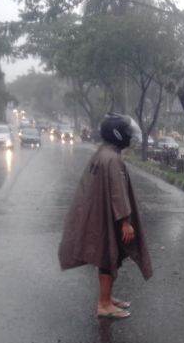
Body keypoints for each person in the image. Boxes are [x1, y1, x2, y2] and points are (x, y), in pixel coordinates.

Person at [58, 113, 153, 319]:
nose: (130, 136)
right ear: (117, 134)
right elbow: (117, 193)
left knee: (110, 256)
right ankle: (104, 304)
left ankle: (107, 297)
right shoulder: (113, 160)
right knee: (109, 257)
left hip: (100, 215)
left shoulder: (103, 153)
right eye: (127, 133)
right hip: (108, 218)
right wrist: (126, 222)